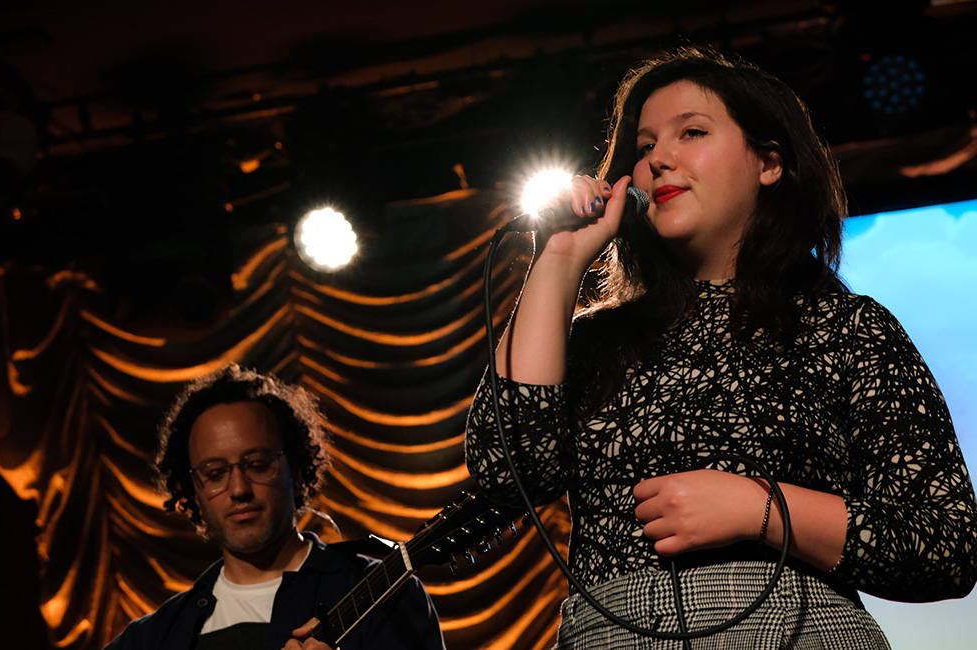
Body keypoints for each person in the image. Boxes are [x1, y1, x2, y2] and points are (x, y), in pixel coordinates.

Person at [465, 46, 977, 649]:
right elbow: (505, 475)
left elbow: (945, 543)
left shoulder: (845, 327)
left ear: (769, 163)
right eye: (645, 145)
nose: (658, 160)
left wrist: (760, 507)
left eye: (692, 132)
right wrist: (560, 259)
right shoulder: (594, 339)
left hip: (793, 630)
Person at [105, 364, 446, 650]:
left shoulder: (383, 595)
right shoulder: (151, 639)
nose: (239, 489)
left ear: (295, 469)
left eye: (257, 464)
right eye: (215, 473)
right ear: (194, 490)